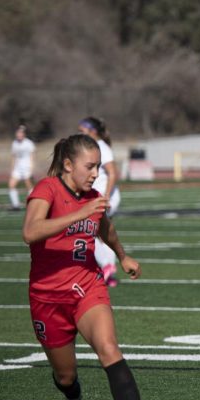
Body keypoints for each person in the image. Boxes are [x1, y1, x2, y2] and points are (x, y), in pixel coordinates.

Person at [22, 133, 158, 400]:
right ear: (68, 165)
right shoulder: (47, 189)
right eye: (90, 166)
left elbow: (104, 227)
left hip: (86, 286)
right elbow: (30, 231)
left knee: (109, 349)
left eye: (98, 166)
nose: (96, 173)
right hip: (47, 297)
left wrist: (123, 256)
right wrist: (79, 214)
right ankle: (72, 395)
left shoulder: (93, 197)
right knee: (65, 375)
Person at [78, 117, 121, 287]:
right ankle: (109, 273)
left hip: (104, 196)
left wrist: (107, 195)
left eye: (83, 131)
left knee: (88, 231)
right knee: (102, 234)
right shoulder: (89, 148)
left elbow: (113, 173)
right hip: (97, 196)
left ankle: (106, 266)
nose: (80, 134)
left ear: (92, 131)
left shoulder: (102, 147)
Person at [8, 124, 36, 210]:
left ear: (24, 134)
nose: (18, 135)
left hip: (26, 167)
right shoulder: (14, 143)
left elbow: (32, 156)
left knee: (29, 186)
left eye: (20, 133)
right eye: (17, 133)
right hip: (17, 168)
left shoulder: (29, 143)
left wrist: (31, 168)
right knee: (11, 185)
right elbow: (13, 156)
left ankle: (32, 205)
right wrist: (12, 168)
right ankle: (16, 205)